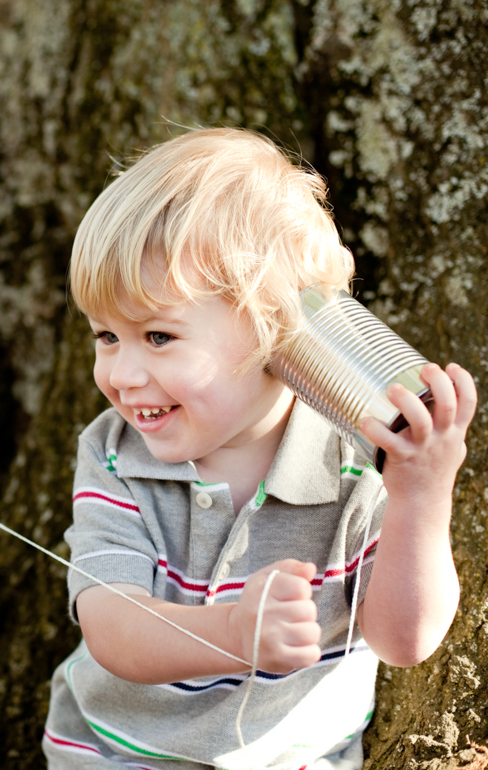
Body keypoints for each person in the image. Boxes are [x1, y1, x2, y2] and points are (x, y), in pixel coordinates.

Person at [42, 128, 476, 770]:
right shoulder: (115, 454)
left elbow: (404, 641)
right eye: (107, 335)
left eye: (158, 336)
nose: (122, 374)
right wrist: (233, 634)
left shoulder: (357, 461)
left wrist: (421, 493)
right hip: (119, 752)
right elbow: (111, 624)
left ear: (277, 333)